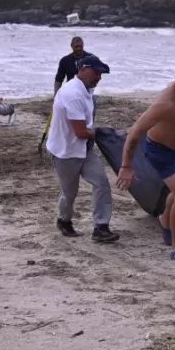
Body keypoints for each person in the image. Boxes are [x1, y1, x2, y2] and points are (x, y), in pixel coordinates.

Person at [116, 61, 175, 263]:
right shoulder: (164, 105)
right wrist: (126, 166)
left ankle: (165, 219)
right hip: (160, 151)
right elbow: (134, 134)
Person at [46, 55, 119, 243]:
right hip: (66, 151)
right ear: (83, 69)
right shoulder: (72, 94)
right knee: (70, 192)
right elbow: (80, 131)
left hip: (85, 148)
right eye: (96, 73)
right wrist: (103, 134)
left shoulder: (87, 89)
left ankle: (101, 227)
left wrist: (95, 134)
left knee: (101, 183)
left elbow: (85, 128)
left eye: (101, 74)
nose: (99, 78)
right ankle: (64, 220)